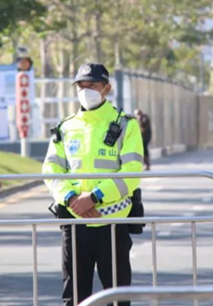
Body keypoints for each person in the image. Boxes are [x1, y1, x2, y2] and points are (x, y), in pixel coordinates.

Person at [43, 63, 144, 306]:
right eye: (81, 85)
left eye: (92, 85)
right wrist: (70, 199)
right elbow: (51, 169)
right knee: (75, 297)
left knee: (117, 296)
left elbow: (131, 172)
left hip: (113, 222)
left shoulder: (126, 125)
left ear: (106, 88)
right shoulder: (65, 127)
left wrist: (94, 197)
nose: (85, 90)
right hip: (75, 223)